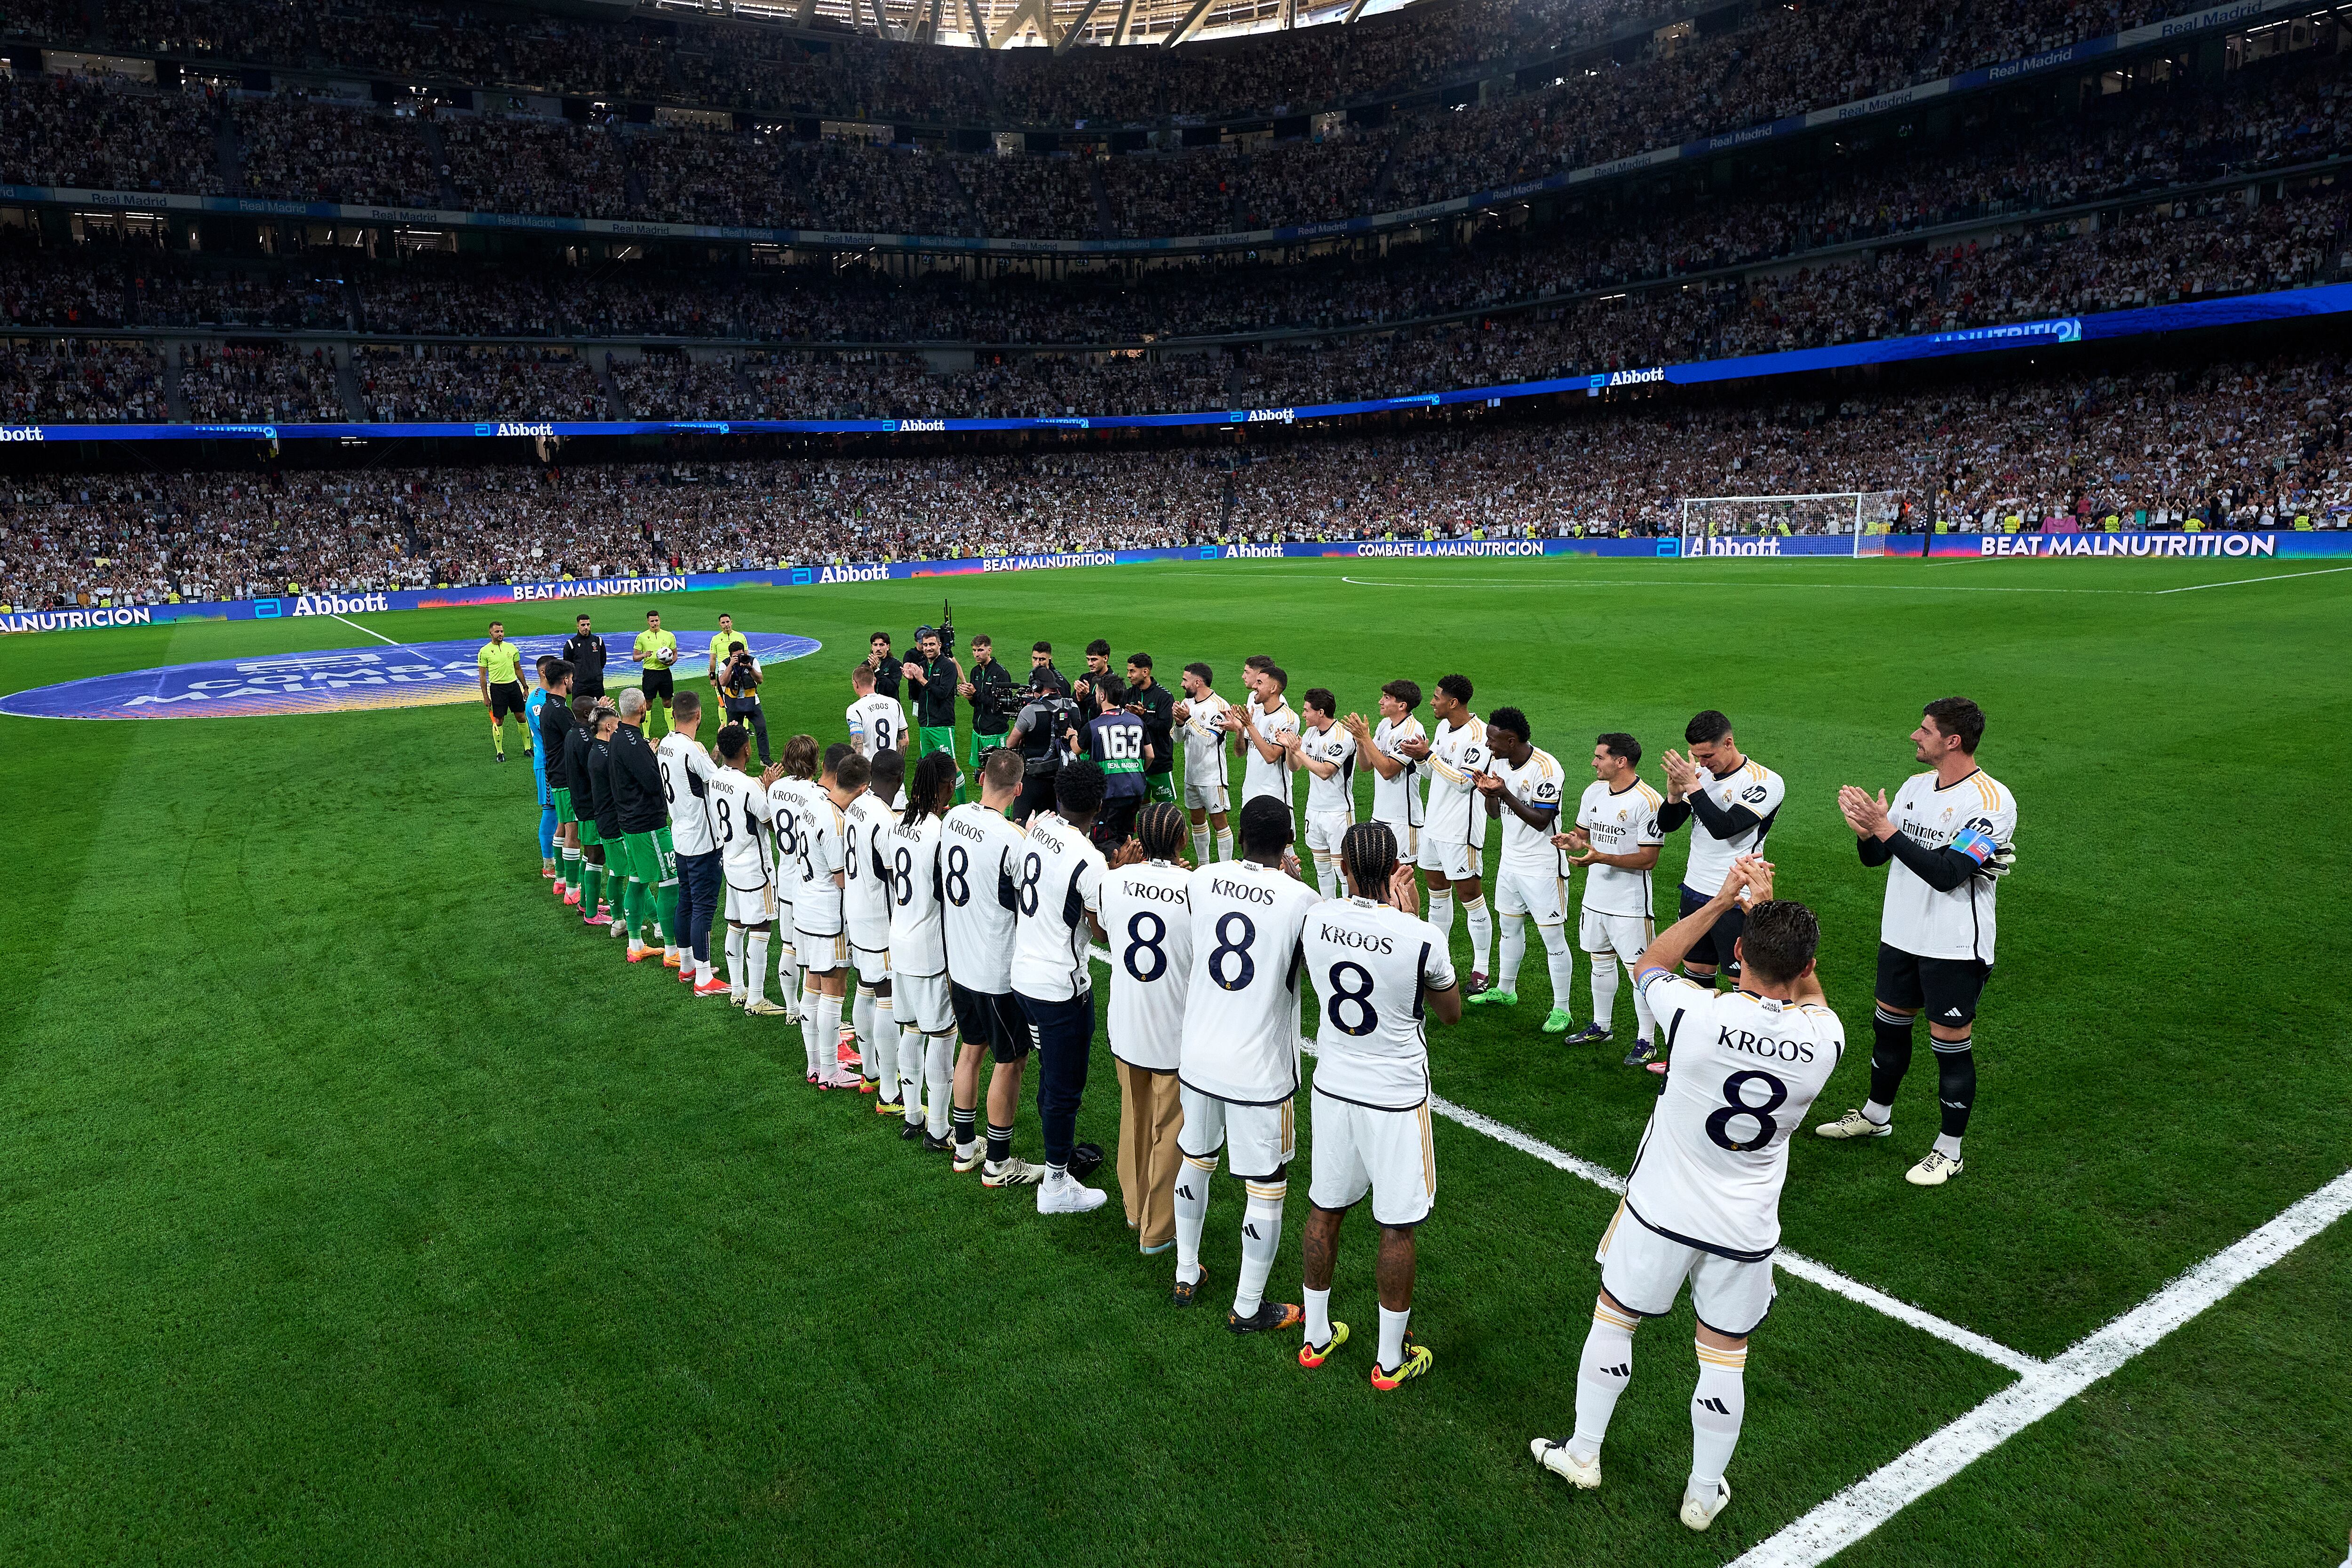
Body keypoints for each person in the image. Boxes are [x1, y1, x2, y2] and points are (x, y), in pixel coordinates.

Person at [1530, 856, 1841, 1537]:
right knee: (1724, 1353)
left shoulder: (1697, 1014)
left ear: (1737, 953)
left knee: (1615, 1320)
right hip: (1746, 1225)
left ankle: (1583, 1452)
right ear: (1809, 961)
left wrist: (1724, 901)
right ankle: (1702, 1494)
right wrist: (1768, 907)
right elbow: (1809, 995)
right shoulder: (1826, 1039)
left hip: (1663, 1206)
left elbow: (1650, 961)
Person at [1815, 697, 2016, 1188]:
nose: (1914, 736)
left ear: (1951, 740)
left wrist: (1886, 829)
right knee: (1888, 1029)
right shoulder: (1913, 787)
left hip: (1952, 946)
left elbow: (1948, 874)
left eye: (1924, 730)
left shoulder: (1990, 803)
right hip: (1900, 935)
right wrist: (1868, 833)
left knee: (1949, 1049)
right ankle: (1875, 1115)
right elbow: (1876, 859)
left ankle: (1949, 1152)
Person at [1298, 822, 1461, 1391]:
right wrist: (1410, 918)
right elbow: (1450, 1013)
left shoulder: (1315, 918)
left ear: (1343, 867)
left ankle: (1314, 1336)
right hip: (1394, 1094)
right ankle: (1389, 1361)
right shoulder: (1420, 936)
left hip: (1333, 1083)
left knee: (1325, 1209)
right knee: (1396, 1226)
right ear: (1396, 867)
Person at [1173, 795, 1321, 1334]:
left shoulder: (1203, 879)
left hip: (1197, 1053)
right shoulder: (1300, 897)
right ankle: (1247, 1306)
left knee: (1196, 1156)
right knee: (1265, 1182)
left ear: (1237, 832)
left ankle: (1186, 1272)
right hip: (1258, 1066)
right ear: (1288, 843)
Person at [1009, 757, 1114, 1216]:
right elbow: (1103, 932)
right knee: (1064, 1085)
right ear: (1098, 804)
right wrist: (1116, 877)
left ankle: (1057, 1164)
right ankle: (1054, 1184)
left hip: (1024, 975)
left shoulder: (1040, 826)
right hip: (1060, 988)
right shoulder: (1088, 860)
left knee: (1050, 1075)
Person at [942, 748, 1040, 1186]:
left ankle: (965, 1148)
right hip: (996, 970)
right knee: (1011, 1060)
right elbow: (1026, 901)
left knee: (971, 1048)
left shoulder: (953, 818)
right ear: (1018, 790)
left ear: (982, 779)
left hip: (958, 963)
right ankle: (998, 1164)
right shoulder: (1013, 841)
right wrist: (1028, 836)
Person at [1100, 801, 1194, 1256]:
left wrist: (1123, 870)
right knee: (1170, 1131)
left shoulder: (1113, 882)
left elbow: (1101, 931)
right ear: (1180, 841)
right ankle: (1157, 1231)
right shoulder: (1196, 889)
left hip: (1128, 1025)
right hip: (1174, 1031)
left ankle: (1134, 1209)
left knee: (1133, 1122)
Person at [1657, 711, 1786, 990]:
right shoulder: (1701, 775)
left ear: (1728, 743)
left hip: (1738, 896)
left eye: (1707, 756)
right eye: (1696, 756)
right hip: (1695, 889)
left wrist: (1693, 785)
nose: (1702, 764)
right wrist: (1675, 795)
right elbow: (1667, 825)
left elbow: (1726, 828)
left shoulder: (1764, 781)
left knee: (1744, 982)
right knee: (1696, 975)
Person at [1556, 733, 1665, 1061]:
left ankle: (1647, 1041)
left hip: (1630, 905)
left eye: (1600, 757)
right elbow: (1584, 836)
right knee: (1600, 963)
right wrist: (1574, 843)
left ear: (1621, 762)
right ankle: (1601, 1026)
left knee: (1640, 972)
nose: (1593, 763)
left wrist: (1601, 857)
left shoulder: (1648, 801)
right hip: (1595, 898)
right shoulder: (1594, 792)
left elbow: (1648, 859)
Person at [1468, 706, 1576, 1033]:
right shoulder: (1498, 761)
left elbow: (1543, 822)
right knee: (1509, 929)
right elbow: (1494, 814)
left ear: (1512, 740)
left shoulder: (1547, 768)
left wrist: (1505, 793)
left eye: (1493, 740)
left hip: (1543, 866)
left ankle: (1562, 1010)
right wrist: (1489, 793)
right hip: (1510, 861)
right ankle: (1506, 990)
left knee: (1552, 937)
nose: (1488, 745)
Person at [889, 750, 961, 1151]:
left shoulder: (899, 825)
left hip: (898, 941)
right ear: (946, 787)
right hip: (928, 946)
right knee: (943, 1035)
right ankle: (938, 1129)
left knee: (912, 1030)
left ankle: (913, 1116)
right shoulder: (939, 831)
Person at [1405, 674, 1495, 991]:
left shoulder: (1480, 735)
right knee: (1437, 894)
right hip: (1434, 825)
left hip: (1461, 830)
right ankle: (1436, 961)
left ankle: (1481, 969)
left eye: (1437, 697)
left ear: (1453, 702)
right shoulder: (1444, 728)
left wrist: (1429, 756)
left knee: (1470, 896)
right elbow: (1435, 773)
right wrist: (1421, 757)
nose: (1432, 701)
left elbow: (1464, 782)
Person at [658, 691, 731, 997]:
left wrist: (709, 750)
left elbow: (696, 775)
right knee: (702, 906)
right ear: (699, 716)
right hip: (702, 839)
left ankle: (688, 964)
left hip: (681, 834)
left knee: (686, 900)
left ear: (674, 715)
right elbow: (720, 783)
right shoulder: (691, 750)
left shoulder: (665, 745)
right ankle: (703, 978)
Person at [793, 745, 857, 1088]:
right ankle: (830, 1070)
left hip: (804, 907)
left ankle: (815, 1065)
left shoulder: (809, 801)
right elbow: (842, 878)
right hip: (827, 913)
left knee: (813, 987)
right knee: (834, 987)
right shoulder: (834, 818)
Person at [704, 722, 780, 1010]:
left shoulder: (715, 780)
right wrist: (770, 789)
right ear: (747, 750)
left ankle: (738, 990)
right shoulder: (750, 786)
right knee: (761, 927)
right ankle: (757, 999)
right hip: (755, 868)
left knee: (735, 925)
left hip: (730, 861)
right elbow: (770, 821)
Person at [845, 747, 904, 1106]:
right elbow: (894, 875)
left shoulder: (856, 805)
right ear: (898, 780)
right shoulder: (885, 819)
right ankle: (889, 1092)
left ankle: (870, 1073)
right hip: (880, 917)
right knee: (886, 998)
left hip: (856, 910)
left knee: (865, 988)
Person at [611, 688, 677, 968]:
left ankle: (636, 944)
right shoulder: (635, 744)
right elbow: (653, 783)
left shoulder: (616, 738)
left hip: (628, 822)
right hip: (648, 825)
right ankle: (674, 949)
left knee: (637, 881)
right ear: (642, 711)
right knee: (671, 882)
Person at [762, 734, 823, 1025]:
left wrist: (769, 785)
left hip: (784, 876)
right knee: (812, 952)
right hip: (809, 880)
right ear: (813, 762)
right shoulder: (818, 794)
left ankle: (791, 1009)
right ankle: (815, 1010)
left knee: (788, 944)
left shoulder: (774, 789)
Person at [1345, 679, 1425, 865]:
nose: (1381, 701)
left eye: (1387, 698)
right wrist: (1360, 741)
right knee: (1381, 875)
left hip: (1404, 821)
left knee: (1403, 878)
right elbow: (1366, 766)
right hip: (1379, 815)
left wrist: (1366, 738)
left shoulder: (1413, 732)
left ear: (1402, 706)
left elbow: (1388, 770)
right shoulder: (1384, 725)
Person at [1292, 687, 1357, 899]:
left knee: (1343, 870)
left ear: (1320, 712)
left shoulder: (1342, 736)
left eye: (1306, 710)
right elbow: (1294, 767)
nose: (1303, 714)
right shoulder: (1311, 733)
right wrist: (1289, 749)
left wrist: (1298, 752)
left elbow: (1326, 772)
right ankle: (1327, 905)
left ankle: (1347, 910)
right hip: (1314, 810)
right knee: (1321, 867)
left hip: (1338, 812)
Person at [1172, 661, 1232, 864]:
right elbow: (1178, 738)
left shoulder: (1220, 706)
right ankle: (1203, 865)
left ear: (1197, 682)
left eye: (1185, 680)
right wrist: (1180, 723)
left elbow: (1209, 739)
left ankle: (1225, 869)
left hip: (1212, 776)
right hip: (1192, 775)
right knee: (1197, 822)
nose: (1182, 684)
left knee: (1219, 824)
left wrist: (1188, 719)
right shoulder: (1187, 703)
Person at [564, 692, 611, 927]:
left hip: (582, 802)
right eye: (595, 709)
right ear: (586, 714)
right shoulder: (586, 741)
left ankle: (585, 902)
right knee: (596, 856)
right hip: (591, 805)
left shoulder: (574, 733)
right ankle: (592, 913)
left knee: (589, 854)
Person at [1081, 694, 1151, 849]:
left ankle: (1111, 870)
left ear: (1102, 695)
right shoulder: (1137, 721)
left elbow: (1077, 749)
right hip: (1135, 790)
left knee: (1103, 840)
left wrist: (1071, 736)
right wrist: (1137, 771)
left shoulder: (1094, 725)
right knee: (1125, 837)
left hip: (1110, 792)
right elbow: (1151, 755)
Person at [1227, 663, 1298, 815]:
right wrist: (1240, 730)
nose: (1254, 686)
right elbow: (1240, 752)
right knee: (1249, 840)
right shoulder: (1255, 713)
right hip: (1249, 795)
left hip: (1275, 797)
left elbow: (1271, 756)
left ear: (1273, 689)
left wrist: (1249, 726)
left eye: (1260, 683)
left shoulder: (1288, 718)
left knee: (1281, 840)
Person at [581, 699, 625, 938]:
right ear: (608, 727)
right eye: (617, 725)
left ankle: (594, 909)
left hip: (604, 815)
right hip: (612, 819)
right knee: (628, 873)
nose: (619, 728)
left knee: (605, 864)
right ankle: (655, 926)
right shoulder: (604, 754)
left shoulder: (598, 749)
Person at [540, 660, 581, 905]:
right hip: (566, 776)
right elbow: (577, 740)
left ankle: (561, 880)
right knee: (572, 831)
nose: (573, 682)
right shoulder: (560, 711)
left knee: (562, 825)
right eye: (571, 678)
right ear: (565, 680)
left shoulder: (549, 706)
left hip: (555, 773)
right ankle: (573, 890)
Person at [958, 633, 1016, 799]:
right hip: (979, 730)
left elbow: (1001, 705)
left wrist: (975, 693)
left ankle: (1004, 812)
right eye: (975, 650)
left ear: (989, 650)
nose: (977, 654)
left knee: (999, 775)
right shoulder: (975, 672)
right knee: (981, 775)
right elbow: (977, 703)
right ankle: (986, 804)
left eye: (981, 650)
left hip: (996, 732)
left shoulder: (1001, 674)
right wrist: (970, 697)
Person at [901, 624, 963, 780]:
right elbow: (915, 695)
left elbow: (942, 693)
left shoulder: (948, 667)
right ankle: (938, 804)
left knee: (951, 767)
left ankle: (962, 803)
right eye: (925, 645)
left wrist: (922, 679)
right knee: (928, 767)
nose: (928, 648)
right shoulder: (921, 666)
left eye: (932, 645)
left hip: (942, 725)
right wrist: (911, 680)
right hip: (925, 725)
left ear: (939, 645)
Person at [1122, 653, 1178, 806]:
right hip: (1136, 762)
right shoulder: (1128, 695)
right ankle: (1146, 830)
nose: (1128, 675)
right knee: (1141, 805)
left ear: (1145, 672)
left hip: (1160, 764)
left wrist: (1143, 716)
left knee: (1167, 809)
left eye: (1132, 671)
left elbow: (1165, 728)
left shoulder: (1164, 697)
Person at [477, 620, 531, 763]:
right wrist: (486, 697)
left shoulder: (511, 648)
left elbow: (518, 669)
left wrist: (525, 687)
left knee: (521, 716)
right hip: (497, 688)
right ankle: (500, 752)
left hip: (513, 687)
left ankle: (528, 748)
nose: (500, 634)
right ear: (490, 633)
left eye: (502, 631)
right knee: (499, 720)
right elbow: (482, 676)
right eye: (497, 632)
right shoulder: (484, 651)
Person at [715, 629, 770, 767]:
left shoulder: (752, 661)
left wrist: (750, 668)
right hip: (733, 703)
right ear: (731, 656)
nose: (740, 658)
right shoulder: (725, 664)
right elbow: (722, 682)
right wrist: (731, 666)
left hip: (752, 701)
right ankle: (733, 761)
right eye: (736, 656)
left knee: (761, 728)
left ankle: (765, 758)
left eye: (741, 655)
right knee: (734, 735)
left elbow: (761, 680)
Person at [528, 655, 559, 878]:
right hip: (547, 763)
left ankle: (558, 856)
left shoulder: (549, 696)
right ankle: (549, 865)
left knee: (559, 812)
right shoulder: (538, 700)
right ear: (543, 672)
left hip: (555, 762)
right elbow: (550, 732)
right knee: (551, 812)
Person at [633, 610, 680, 741]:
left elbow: (675, 654)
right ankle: (646, 735)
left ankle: (672, 732)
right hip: (650, 674)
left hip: (665, 673)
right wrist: (644, 655)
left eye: (657, 620)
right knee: (648, 704)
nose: (655, 623)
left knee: (667, 702)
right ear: (648, 622)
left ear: (660, 620)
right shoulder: (642, 637)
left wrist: (671, 662)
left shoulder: (669, 635)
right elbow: (635, 657)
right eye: (652, 621)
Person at [846, 664, 905, 760]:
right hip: (893, 768)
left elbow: (858, 744)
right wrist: (896, 762)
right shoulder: (894, 704)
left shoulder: (855, 709)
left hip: (871, 769)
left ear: (855, 684)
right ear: (874, 681)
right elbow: (904, 740)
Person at [563, 612, 609, 700]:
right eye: (583, 625)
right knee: (580, 711)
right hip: (580, 685)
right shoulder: (571, 644)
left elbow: (603, 661)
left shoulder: (598, 641)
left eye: (588, 625)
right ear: (578, 626)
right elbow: (567, 665)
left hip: (597, 684)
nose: (586, 627)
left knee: (600, 711)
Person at [863, 631, 904, 707]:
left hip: (889, 706)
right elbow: (862, 687)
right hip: (871, 707)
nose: (878, 649)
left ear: (888, 647)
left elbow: (892, 688)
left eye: (882, 645)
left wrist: (877, 671)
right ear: (872, 647)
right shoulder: (865, 665)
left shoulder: (895, 664)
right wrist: (871, 670)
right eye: (875, 645)